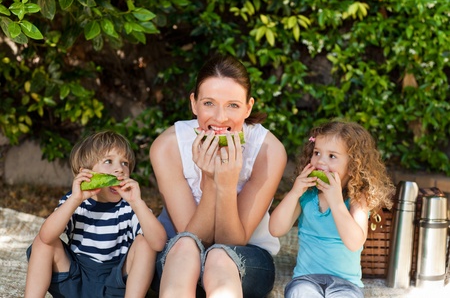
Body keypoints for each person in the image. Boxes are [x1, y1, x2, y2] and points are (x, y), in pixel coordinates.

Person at [149, 54, 287, 297]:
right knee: (184, 247)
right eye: (209, 103)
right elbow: (194, 238)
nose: (220, 117)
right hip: (179, 261)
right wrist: (209, 180)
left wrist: (226, 182)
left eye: (233, 105)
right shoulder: (167, 147)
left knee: (219, 255)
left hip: (246, 259)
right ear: (194, 103)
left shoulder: (268, 151)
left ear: (248, 107)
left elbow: (232, 241)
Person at [25, 130, 167, 298]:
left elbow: (158, 244)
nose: (119, 170)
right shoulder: (75, 202)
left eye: (125, 163)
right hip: (76, 280)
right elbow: (46, 236)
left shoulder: (131, 206)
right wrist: (75, 200)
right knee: (41, 243)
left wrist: (137, 203)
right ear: (85, 173)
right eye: (109, 161)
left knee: (145, 242)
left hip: (114, 285)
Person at [269, 120, 395, 298]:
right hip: (306, 280)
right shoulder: (307, 194)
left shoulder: (358, 198)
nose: (320, 161)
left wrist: (336, 202)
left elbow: (354, 242)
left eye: (332, 156)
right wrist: (294, 193)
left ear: (353, 166)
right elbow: (275, 229)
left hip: (346, 285)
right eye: (317, 153)